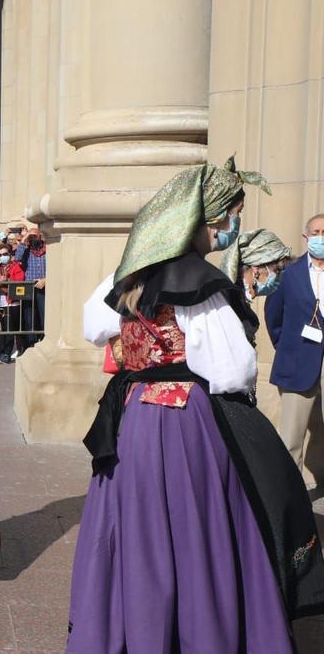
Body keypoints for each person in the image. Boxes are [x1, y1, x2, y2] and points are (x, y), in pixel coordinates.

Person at [71, 159, 324, 652]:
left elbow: (93, 326)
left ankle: (136, 630)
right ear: (207, 221)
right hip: (186, 419)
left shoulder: (128, 275)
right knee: (197, 528)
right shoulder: (200, 284)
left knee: (137, 529)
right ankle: (203, 631)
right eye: (232, 215)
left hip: (132, 416)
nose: (233, 226)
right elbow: (232, 371)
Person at [267, 214, 324, 490]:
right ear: (306, 237)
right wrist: (288, 348)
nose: (320, 237)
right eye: (316, 232)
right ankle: (289, 500)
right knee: (291, 439)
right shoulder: (289, 274)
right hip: (298, 363)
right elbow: (273, 317)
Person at [14, 229, 47, 350]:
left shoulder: (47, 249)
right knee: (29, 315)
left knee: (44, 314)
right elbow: (17, 258)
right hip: (29, 285)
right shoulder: (26, 250)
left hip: (43, 285)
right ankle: (30, 342)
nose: (33, 239)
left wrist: (46, 279)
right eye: (31, 237)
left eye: (35, 236)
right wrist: (24, 239)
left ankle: (44, 338)